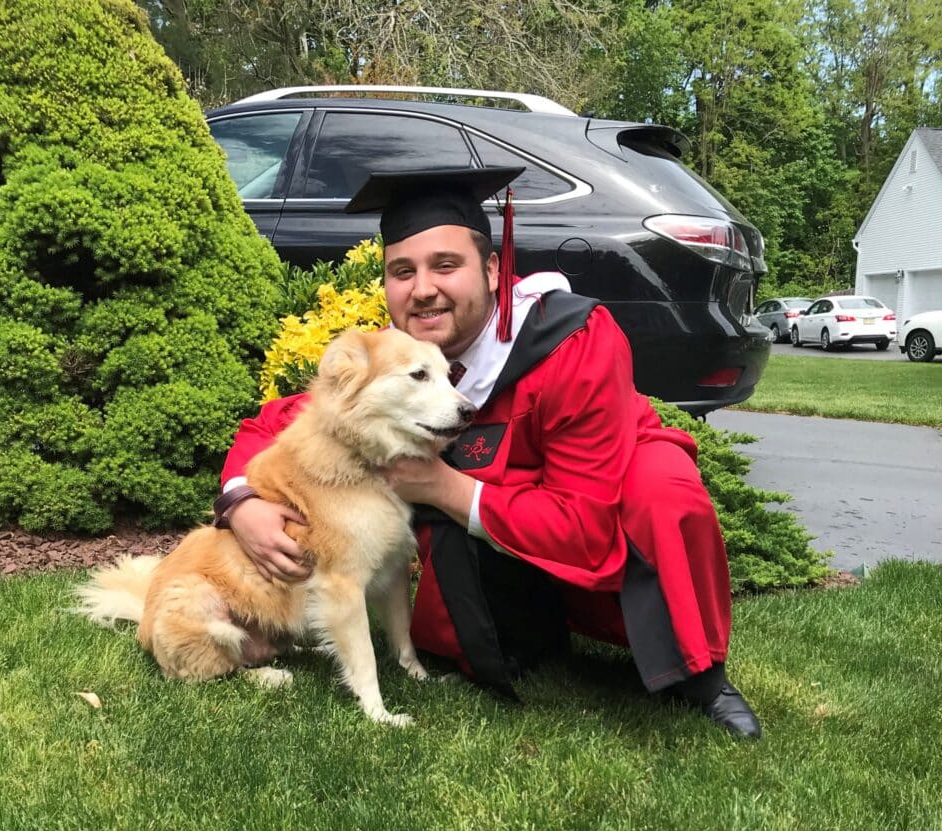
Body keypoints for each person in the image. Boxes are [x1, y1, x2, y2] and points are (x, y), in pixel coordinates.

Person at [216, 166, 762, 739]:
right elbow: (282, 421)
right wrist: (243, 501)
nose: (422, 288)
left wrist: (447, 489)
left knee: (661, 488)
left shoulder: (573, 341)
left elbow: (586, 520)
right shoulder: (400, 357)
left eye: (445, 265)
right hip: (495, 526)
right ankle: (502, 639)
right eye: (402, 271)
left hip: (591, 500)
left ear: (495, 269)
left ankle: (699, 674)